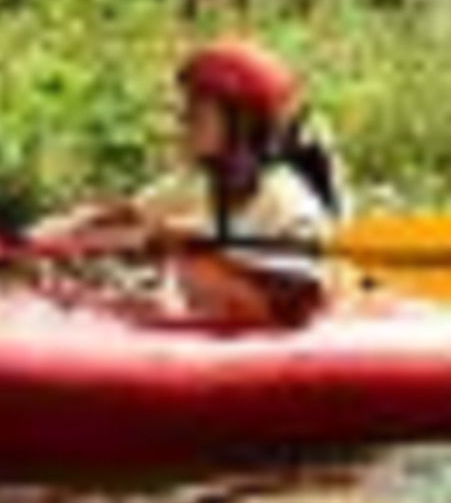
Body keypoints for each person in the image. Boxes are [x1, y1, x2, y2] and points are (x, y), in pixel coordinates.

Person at [29, 38, 345, 329]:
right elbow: (123, 215)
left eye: (197, 112)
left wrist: (206, 255)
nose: (183, 121)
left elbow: (304, 299)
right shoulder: (195, 185)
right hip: (217, 328)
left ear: (242, 125)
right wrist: (50, 233)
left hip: (272, 341)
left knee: (191, 270)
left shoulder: (287, 200)